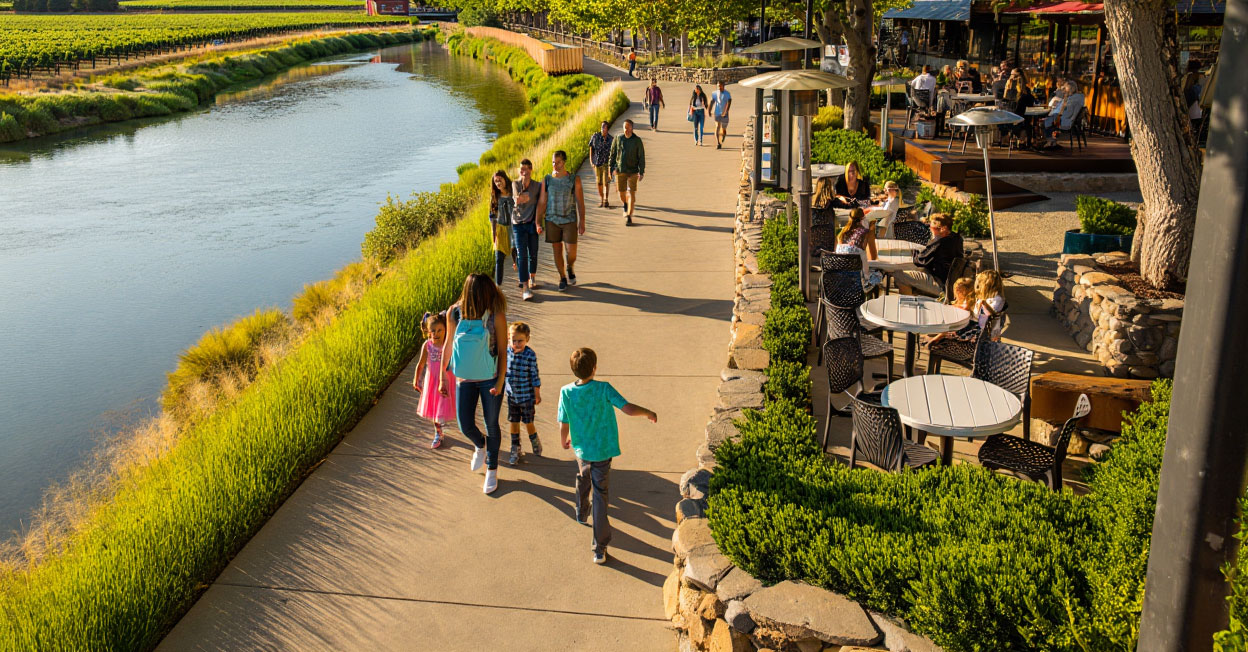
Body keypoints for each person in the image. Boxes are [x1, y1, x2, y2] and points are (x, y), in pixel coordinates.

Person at [557, 347, 658, 565]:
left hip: (582, 450)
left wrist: (564, 439)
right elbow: (627, 408)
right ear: (594, 368)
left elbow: (563, 421)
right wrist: (648, 412)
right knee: (600, 495)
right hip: (602, 450)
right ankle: (599, 548)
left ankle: (580, 511)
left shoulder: (566, 392)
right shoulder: (603, 389)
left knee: (584, 477)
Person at [441, 273, 509, 495]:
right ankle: (480, 445)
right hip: (465, 378)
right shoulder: (455, 314)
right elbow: (449, 344)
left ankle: (492, 468)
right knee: (465, 425)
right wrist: (444, 376)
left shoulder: (496, 316)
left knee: (491, 423)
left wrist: (500, 381)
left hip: (490, 378)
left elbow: (502, 352)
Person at [536, 150, 586, 292]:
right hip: (552, 220)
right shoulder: (547, 179)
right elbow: (542, 201)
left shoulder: (574, 179)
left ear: (564, 162)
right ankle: (562, 277)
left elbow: (580, 203)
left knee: (572, 254)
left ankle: (570, 266)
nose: (555, 165)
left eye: (558, 162)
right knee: (557, 250)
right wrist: (538, 222)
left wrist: (582, 222)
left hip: (569, 220)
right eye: (553, 162)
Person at [413, 311, 455, 449]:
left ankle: (465, 428)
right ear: (428, 332)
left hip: (447, 380)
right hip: (432, 381)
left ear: (446, 330)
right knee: (435, 407)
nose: (436, 334)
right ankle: (438, 432)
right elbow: (420, 364)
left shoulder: (448, 345)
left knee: (446, 405)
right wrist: (416, 379)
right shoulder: (428, 345)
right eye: (433, 331)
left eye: (440, 330)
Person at [895, 212, 963, 296]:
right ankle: (914, 295)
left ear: (943, 229)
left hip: (941, 285)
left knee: (899, 275)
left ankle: (907, 303)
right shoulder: (957, 238)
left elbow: (920, 260)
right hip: (949, 282)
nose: (930, 229)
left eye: (932, 227)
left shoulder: (940, 242)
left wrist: (913, 251)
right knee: (916, 272)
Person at [505, 321, 542, 465]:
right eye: (513, 340)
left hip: (527, 396)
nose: (516, 343)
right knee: (513, 421)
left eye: (520, 340)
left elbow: (534, 375)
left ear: (527, 339)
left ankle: (534, 440)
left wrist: (537, 394)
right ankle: (515, 447)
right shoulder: (507, 351)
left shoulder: (530, 355)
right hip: (512, 396)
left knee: (528, 422)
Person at [511, 159, 542, 301]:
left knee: (533, 252)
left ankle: (532, 277)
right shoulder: (515, 184)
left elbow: (542, 202)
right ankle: (525, 287)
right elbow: (518, 200)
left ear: (531, 170)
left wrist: (538, 222)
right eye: (521, 169)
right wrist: (525, 194)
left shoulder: (537, 185)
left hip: (531, 223)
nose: (523, 172)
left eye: (526, 169)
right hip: (518, 224)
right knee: (522, 255)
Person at [609, 118, 645, 226]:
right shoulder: (618, 139)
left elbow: (641, 157)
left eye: (629, 128)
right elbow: (613, 154)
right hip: (621, 170)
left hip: (633, 171)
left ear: (632, 128)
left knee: (631, 193)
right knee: (622, 193)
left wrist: (641, 171)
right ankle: (625, 204)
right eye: (625, 127)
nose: (627, 130)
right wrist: (611, 168)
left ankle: (629, 215)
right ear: (623, 128)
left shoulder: (637, 140)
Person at [924, 277, 975, 347]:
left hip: (959, 337)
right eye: (956, 290)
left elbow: (951, 326)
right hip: (953, 332)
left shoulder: (965, 307)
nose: (957, 292)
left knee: (931, 340)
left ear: (967, 292)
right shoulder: (962, 303)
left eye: (959, 290)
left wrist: (936, 339)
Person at [489, 171, 515, 288]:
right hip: (500, 230)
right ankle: (498, 286)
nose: (498, 183)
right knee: (499, 259)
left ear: (505, 179)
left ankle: (524, 282)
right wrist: (494, 235)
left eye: (500, 180)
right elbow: (492, 217)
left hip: (514, 229)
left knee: (517, 256)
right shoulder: (495, 197)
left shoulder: (513, 193)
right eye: (496, 181)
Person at [1045, 81, 1084, 147]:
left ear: (1070, 88)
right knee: (1048, 120)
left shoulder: (1074, 99)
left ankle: (1050, 141)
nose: (1065, 90)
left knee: (1045, 121)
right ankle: (1052, 141)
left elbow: (1068, 112)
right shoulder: (1074, 97)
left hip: (1066, 120)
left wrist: (1061, 107)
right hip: (1064, 118)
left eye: (1066, 88)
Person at [588, 121, 614, 209]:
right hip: (597, 163)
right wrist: (591, 160)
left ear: (607, 129)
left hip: (606, 163)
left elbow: (614, 153)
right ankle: (602, 199)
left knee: (606, 182)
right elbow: (591, 147)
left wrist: (613, 165)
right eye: (602, 127)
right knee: (599, 183)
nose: (602, 129)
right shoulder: (595, 136)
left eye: (604, 127)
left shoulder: (611, 139)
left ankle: (606, 200)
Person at [710, 81, 732, 149]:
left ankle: (724, 135)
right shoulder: (715, 93)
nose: (719, 87)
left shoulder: (727, 94)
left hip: (725, 114)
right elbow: (712, 101)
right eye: (718, 85)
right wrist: (709, 110)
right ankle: (718, 143)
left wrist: (725, 111)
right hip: (717, 113)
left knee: (723, 129)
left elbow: (729, 103)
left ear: (723, 86)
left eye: (720, 85)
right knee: (717, 127)